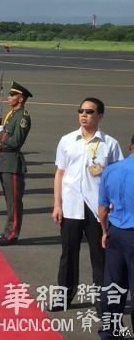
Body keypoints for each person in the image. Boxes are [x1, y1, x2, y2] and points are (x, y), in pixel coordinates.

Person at [51, 97, 123, 311]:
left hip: (97, 208)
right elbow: (59, 173)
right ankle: (63, 297)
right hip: (71, 206)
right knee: (68, 254)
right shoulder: (67, 140)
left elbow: (116, 176)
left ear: (99, 116)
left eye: (89, 112)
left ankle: (103, 301)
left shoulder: (109, 144)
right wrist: (57, 204)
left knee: (100, 256)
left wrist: (114, 206)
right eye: (81, 110)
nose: (83, 115)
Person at [98, 134, 134, 340]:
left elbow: (102, 208)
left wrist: (105, 232)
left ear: (130, 146)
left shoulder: (111, 170)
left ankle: (109, 333)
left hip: (115, 232)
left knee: (113, 287)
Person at [0, 82, 33, 246]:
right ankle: (7, 231)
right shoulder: (12, 114)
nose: (8, 98)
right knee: (9, 201)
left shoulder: (23, 117)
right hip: (5, 161)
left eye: (12, 95)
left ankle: (12, 234)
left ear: (20, 98)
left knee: (14, 201)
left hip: (12, 163)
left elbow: (15, 141)